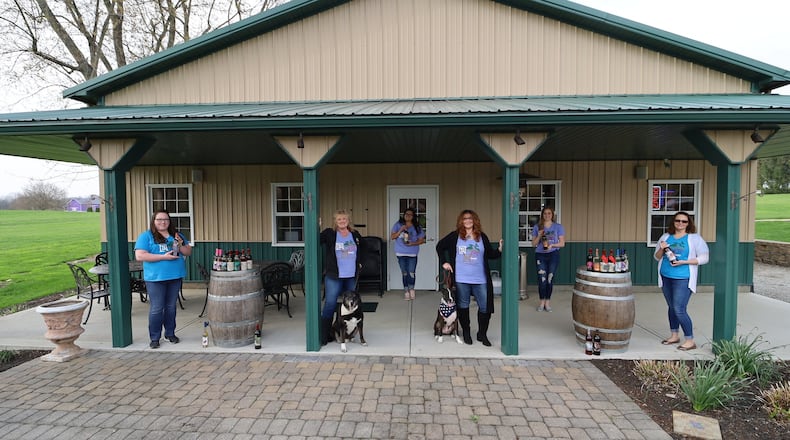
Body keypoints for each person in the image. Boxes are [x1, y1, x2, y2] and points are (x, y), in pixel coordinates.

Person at [436, 209, 502, 346]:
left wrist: (500, 249)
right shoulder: (455, 236)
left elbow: (490, 254)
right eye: (465, 218)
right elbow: (440, 246)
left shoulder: (481, 237)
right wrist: (444, 262)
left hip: (480, 279)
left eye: (470, 218)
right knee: (463, 306)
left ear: (475, 221)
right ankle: (466, 332)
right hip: (461, 279)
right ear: (461, 221)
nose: (467, 221)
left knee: (485, 307)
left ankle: (482, 334)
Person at [134, 210, 192, 349]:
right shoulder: (146, 236)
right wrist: (163, 257)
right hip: (155, 278)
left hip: (175, 276)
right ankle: (155, 337)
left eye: (165, 219)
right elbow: (140, 256)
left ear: (169, 221)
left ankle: (170, 333)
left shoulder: (177, 235)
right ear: (154, 221)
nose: (162, 222)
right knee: (157, 308)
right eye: (159, 219)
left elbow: (188, 252)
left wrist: (180, 244)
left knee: (171, 307)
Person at [653, 211, 709, 351]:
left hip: (683, 278)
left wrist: (685, 261)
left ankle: (690, 340)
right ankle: (674, 335)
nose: (680, 223)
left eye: (684, 221)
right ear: (673, 222)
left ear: (688, 223)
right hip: (666, 276)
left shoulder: (694, 238)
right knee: (672, 307)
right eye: (678, 220)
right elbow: (657, 257)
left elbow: (704, 257)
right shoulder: (666, 236)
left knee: (679, 309)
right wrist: (662, 247)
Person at [319, 209, 364, 346]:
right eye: (339, 219)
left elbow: (362, 248)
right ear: (335, 221)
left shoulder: (355, 234)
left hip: (350, 276)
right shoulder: (330, 234)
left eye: (344, 219)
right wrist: (317, 227)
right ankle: (325, 335)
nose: (342, 221)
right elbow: (316, 240)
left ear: (348, 220)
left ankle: (347, 331)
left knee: (351, 304)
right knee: (330, 304)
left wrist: (360, 263)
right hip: (334, 275)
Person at [531, 206, 565, 312]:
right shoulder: (538, 227)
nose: (547, 215)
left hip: (553, 254)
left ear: (552, 215)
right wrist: (539, 236)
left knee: (549, 279)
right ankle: (541, 302)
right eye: (545, 213)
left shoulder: (558, 227)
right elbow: (533, 244)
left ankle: (547, 303)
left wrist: (553, 246)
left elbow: (562, 243)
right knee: (542, 279)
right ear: (542, 215)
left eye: (549, 213)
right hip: (540, 255)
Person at [390, 207, 426, 300]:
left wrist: (413, 243)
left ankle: (412, 289)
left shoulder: (417, 227)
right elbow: (392, 237)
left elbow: (422, 240)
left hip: (412, 253)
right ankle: (406, 291)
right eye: (406, 214)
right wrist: (400, 230)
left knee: (411, 272)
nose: (408, 216)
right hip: (400, 252)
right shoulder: (398, 224)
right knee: (404, 273)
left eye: (410, 214)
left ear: (413, 216)